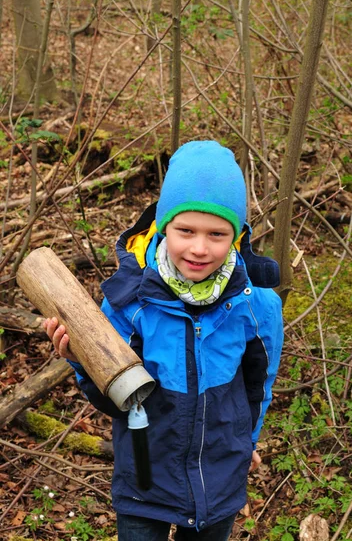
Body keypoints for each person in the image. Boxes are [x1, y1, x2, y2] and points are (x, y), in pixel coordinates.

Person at [44, 140, 284, 541]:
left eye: (217, 234)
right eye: (185, 230)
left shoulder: (258, 307)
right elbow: (112, 400)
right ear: (162, 226)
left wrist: (248, 442)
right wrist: (81, 358)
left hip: (219, 477)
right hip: (145, 477)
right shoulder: (127, 301)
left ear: (238, 235)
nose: (199, 248)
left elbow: (259, 386)